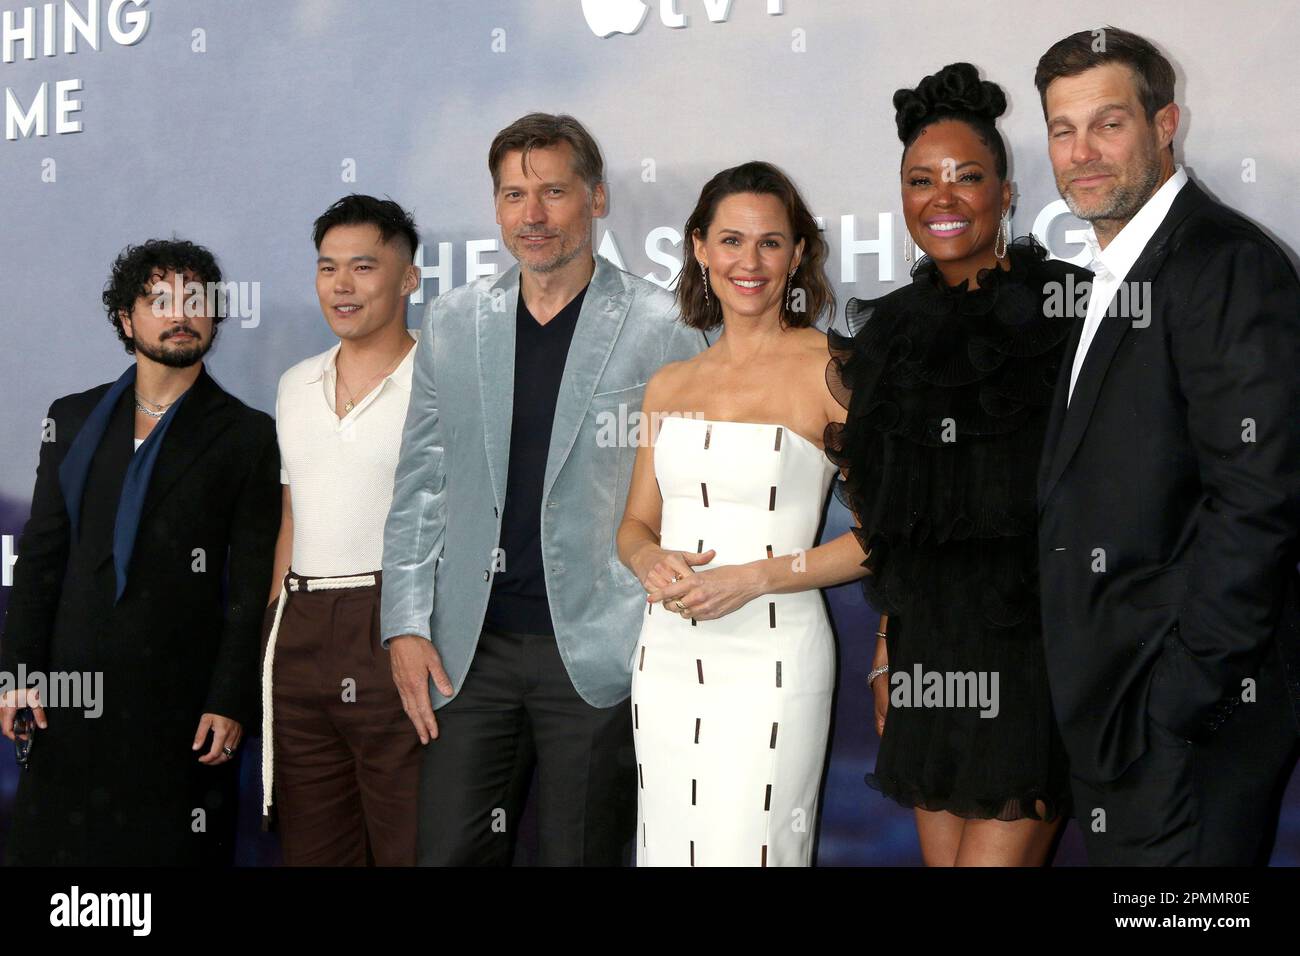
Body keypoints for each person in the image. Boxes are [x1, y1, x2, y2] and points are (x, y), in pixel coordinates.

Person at [381, 112, 707, 865]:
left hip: (598, 647)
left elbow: (695, 474)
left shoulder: (665, 324)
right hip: (469, 652)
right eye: (513, 195)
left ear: (595, 199)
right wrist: (403, 622)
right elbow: (421, 483)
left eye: (554, 192)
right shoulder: (455, 323)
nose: (532, 216)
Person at [1034, 27, 1300, 865]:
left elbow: (1261, 497)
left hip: (1187, 724)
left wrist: (1181, 699)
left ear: (1165, 123)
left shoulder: (1224, 264)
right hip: (1120, 712)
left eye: (1108, 124)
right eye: (1062, 129)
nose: (1082, 153)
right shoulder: (1111, 273)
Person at [825, 63, 1085, 865]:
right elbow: (887, 515)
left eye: (967, 178)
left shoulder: (1072, 309)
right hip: (928, 657)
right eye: (920, 181)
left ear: (1006, 193)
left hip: (1042, 650)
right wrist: (884, 652)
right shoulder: (885, 338)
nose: (943, 198)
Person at [618, 161, 869, 866]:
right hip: (665, 656)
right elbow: (635, 525)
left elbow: (885, 538)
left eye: (769, 243)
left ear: (796, 254)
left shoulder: (833, 368)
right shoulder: (670, 383)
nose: (748, 262)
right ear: (699, 247)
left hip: (775, 656)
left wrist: (754, 578)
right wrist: (647, 558)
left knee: (753, 850)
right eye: (730, 241)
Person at [0, 239, 280, 865]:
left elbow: (251, 582)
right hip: (67, 695)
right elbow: (41, 557)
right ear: (127, 319)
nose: (179, 313)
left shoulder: (246, 434)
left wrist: (229, 699)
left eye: (194, 300)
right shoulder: (71, 420)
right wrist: (19, 673)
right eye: (159, 300)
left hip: (179, 707)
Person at [261, 195, 423, 865]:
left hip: (398, 624)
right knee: (314, 849)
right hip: (299, 627)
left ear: (409, 277)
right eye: (328, 269)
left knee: (410, 841)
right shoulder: (295, 384)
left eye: (363, 267)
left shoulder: (440, 379)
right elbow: (292, 515)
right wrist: (276, 618)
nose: (342, 286)